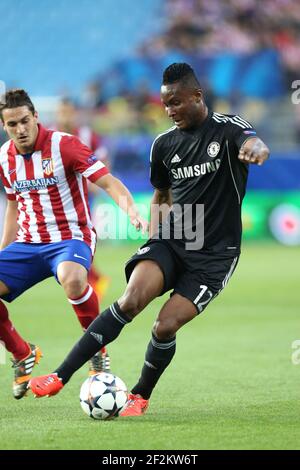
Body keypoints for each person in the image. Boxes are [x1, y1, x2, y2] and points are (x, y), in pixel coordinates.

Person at [30, 63, 270, 415]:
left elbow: (253, 141)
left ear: (197, 96)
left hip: (215, 255)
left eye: (175, 102)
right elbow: (162, 193)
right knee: (130, 300)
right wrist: (156, 234)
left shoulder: (226, 129)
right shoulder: (164, 144)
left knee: (164, 325)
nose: (170, 111)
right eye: (165, 104)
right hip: (174, 237)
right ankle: (60, 375)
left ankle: (140, 394)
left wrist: (257, 151)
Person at [0, 89, 147, 399]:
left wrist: (131, 210)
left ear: (36, 117)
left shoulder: (64, 145)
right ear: (4, 125)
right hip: (29, 243)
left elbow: (107, 181)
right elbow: (13, 206)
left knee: (74, 278)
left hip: (71, 236)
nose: (20, 129)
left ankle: (96, 349)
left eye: (25, 121)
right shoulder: (5, 157)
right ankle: (21, 353)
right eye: (12, 125)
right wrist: (4, 251)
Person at [55, 99, 111, 371]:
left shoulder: (87, 134)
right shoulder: (52, 136)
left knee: (88, 243)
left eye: (68, 110)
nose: (65, 115)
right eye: (61, 111)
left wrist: (99, 182)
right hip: (63, 207)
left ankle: (94, 281)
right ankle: (95, 281)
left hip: (87, 202)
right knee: (78, 256)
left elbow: (102, 159)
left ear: (74, 112)